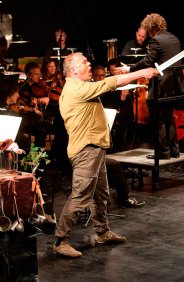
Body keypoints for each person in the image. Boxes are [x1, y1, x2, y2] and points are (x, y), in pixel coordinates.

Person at [52, 52, 158, 258]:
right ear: (73, 70)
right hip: (86, 150)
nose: (89, 64)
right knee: (80, 196)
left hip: (95, 148)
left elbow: (111, 84)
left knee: (101, 194)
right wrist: (141, 72)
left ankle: (102, 232)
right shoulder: (76, 89)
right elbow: (110, 83)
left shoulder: (81, 87)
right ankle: (60, 240)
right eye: (84, 62)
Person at [115, 13, 184, 160]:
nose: (147, 34)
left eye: (148, 30)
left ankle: (163, 152)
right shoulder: (174, 38)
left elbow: (147, 62)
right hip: (174, 85)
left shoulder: (156, 40)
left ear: (153, 28)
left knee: (158, 119)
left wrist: (129, 69)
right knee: (169, 118)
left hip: (161, 85)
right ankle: (174, 150)